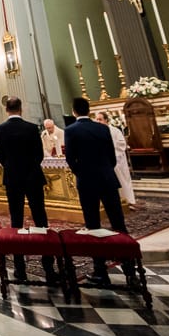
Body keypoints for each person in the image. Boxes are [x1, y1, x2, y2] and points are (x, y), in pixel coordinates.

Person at [0, 97, 59, 284]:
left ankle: (19, 268)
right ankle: (48, 267)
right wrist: (29, 168)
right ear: (21, 109)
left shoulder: (0, 129)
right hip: (32, 177)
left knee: (16, 221)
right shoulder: (31, 128)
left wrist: (12, 168)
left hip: (13, 178)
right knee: (40, 218)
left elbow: (0, 156)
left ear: (7, 110)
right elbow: (39, 154)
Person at [65, 97, 128, 286]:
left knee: (93, 225)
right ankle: (129, 265)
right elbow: (111, 156)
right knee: (118, 221)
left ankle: (100, 270)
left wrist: (81, 173)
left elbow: (70, 158)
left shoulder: (71, 130)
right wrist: (105, 170)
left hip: (87, 182)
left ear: (74, 111)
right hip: (108, 179)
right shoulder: (102, 128)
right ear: (89, 110)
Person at [95, 112, 136, 210]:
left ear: (106, 120)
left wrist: (111, 151)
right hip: (104, 162)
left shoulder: (114, 131)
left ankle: (128, 201)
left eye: (100, 119)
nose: (98, 121)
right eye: (96, 119)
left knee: (122, 180)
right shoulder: (96, 131)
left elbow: (122, 144)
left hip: (118, 160)